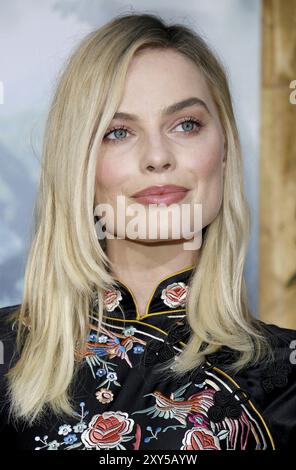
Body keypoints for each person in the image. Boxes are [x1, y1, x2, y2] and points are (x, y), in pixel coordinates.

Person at [0, 12, 295, 451]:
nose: (157, 156)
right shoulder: (8, 353)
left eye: (186, 125)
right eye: (118, 132)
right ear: (77, 164)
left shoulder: (285, 378)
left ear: (226, 151)